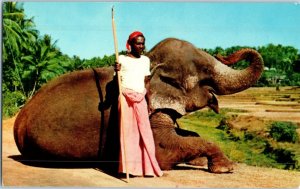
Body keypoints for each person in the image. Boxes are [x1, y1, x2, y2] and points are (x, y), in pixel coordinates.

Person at [115, 31, 163, 177]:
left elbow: (146, 82)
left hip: (141, 97)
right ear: (130, 44)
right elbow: (116, 81)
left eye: (143, 43)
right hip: (125, 97)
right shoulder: (121, 59)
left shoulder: (145, 60)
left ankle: (148, 168)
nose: (141, 46)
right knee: (128, 134)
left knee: (145, 133)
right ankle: (129, 170)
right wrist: (116, 70)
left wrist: (148, 101)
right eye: (138, 43)